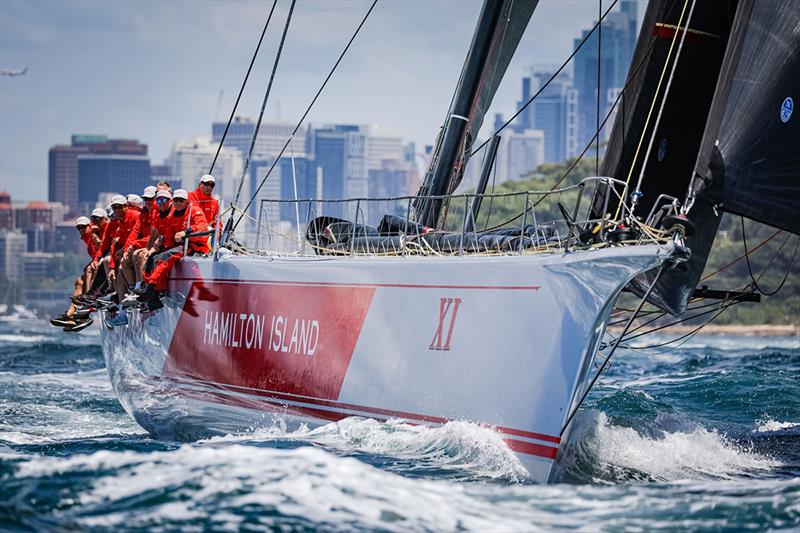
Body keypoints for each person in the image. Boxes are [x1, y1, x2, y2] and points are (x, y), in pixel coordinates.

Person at [138, 189, 209, 312]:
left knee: (165, 257)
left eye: (181, 200)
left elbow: (202, 227)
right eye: (176, 200)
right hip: (179, 246)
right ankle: (152, 294)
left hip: (194, 246)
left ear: (186, 201)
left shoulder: (194, 211)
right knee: (153, 257)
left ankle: (152, 288)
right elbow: (169, 239)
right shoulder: (170, 216)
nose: (178, 203)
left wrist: (185, 232)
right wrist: (161, 247)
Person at [49, 217, 97, 332]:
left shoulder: (94, 236)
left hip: (103, 266)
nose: (81, 229)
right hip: (97, 265)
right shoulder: (86, 239)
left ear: (90, 226)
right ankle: (70, 316)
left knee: (86, 279)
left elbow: (103, 250)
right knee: (79, 282)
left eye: (83, 227)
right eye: (78, 227)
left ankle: (83, 314)